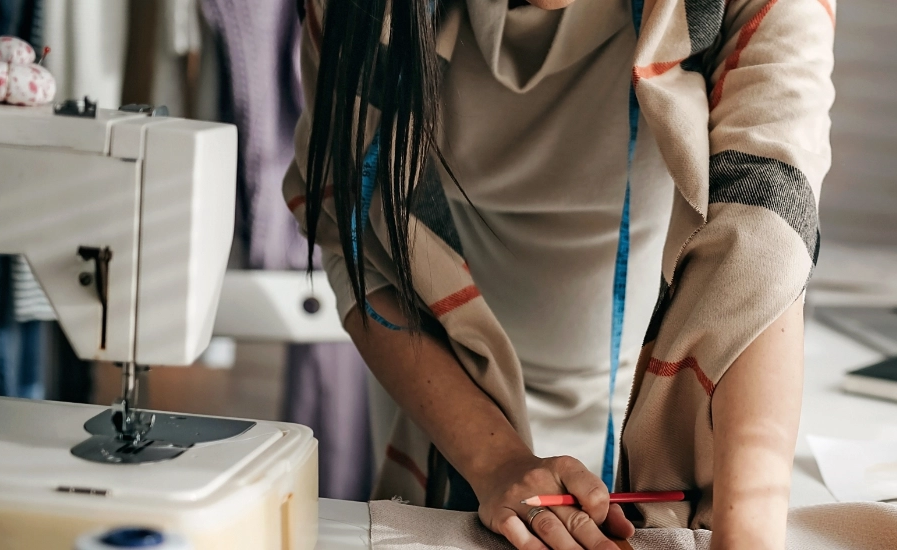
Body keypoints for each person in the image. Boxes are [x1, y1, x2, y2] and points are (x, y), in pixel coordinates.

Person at [282, 0, 833, 548]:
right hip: (446, 392)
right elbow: (359, 247)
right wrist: (494, 457)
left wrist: (748, 530)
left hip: (649, 400)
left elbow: (764, 238)